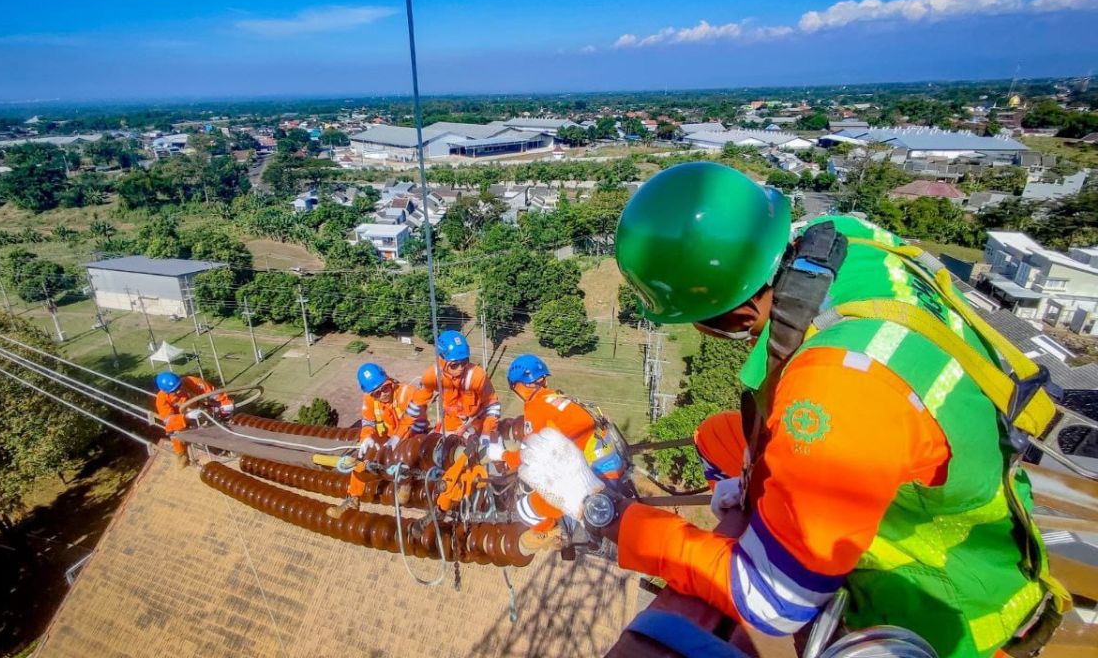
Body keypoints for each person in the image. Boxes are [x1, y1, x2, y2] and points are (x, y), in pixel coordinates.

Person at [520, 162, 1067, 658]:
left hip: (943, 611)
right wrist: (751, 476)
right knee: (717, 435)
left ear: (730, 319)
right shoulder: (842, 242)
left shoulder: (836, 387)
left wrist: (602, 511)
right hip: (922, 462)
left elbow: (770, 602)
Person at [502, 354, 627, 554]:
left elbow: (529, 453)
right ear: (543, 379)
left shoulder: (536, 408)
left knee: (526, 508)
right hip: (611, 464)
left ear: (518, 385)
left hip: (594, 482)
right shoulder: (560, 399)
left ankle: (549, 532)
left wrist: (505, 458)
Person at [326, 362, 428, 519]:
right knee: (360, 462)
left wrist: (401, 442)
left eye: (385, 388)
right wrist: (366, 438)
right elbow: (368, 422)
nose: (383, 395)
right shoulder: (369, 398)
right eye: (376, 393)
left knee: (410, 454)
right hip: (387, 440)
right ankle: (352, 498)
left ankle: (406, 481)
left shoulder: (407, 393)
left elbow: (419, 423)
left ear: (389, 380)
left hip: (413, 438)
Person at [412, 330, 503, 461]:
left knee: (480, 459)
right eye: (454, 365)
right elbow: (418, 403)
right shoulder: (433, 376)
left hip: (474, 425)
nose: (460, 368)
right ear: (442, 360)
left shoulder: (477, 376)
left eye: (464, 362)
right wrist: (409, 432)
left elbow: (492, 406)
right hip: (448, 425)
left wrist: (486, 433)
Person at [154, 371, 234, 467]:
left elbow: (213, 393)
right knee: (174, 433)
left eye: (179, 386)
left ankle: (229, 441)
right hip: (182, 419)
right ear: (165, 391)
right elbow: (169, 421)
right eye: (174, 391)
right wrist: (186, 417)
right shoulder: (162, 399)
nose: (178, 391)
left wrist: (225, 403)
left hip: (201, 410)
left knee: (219, 420)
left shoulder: (191, 381)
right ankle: (182, 455)